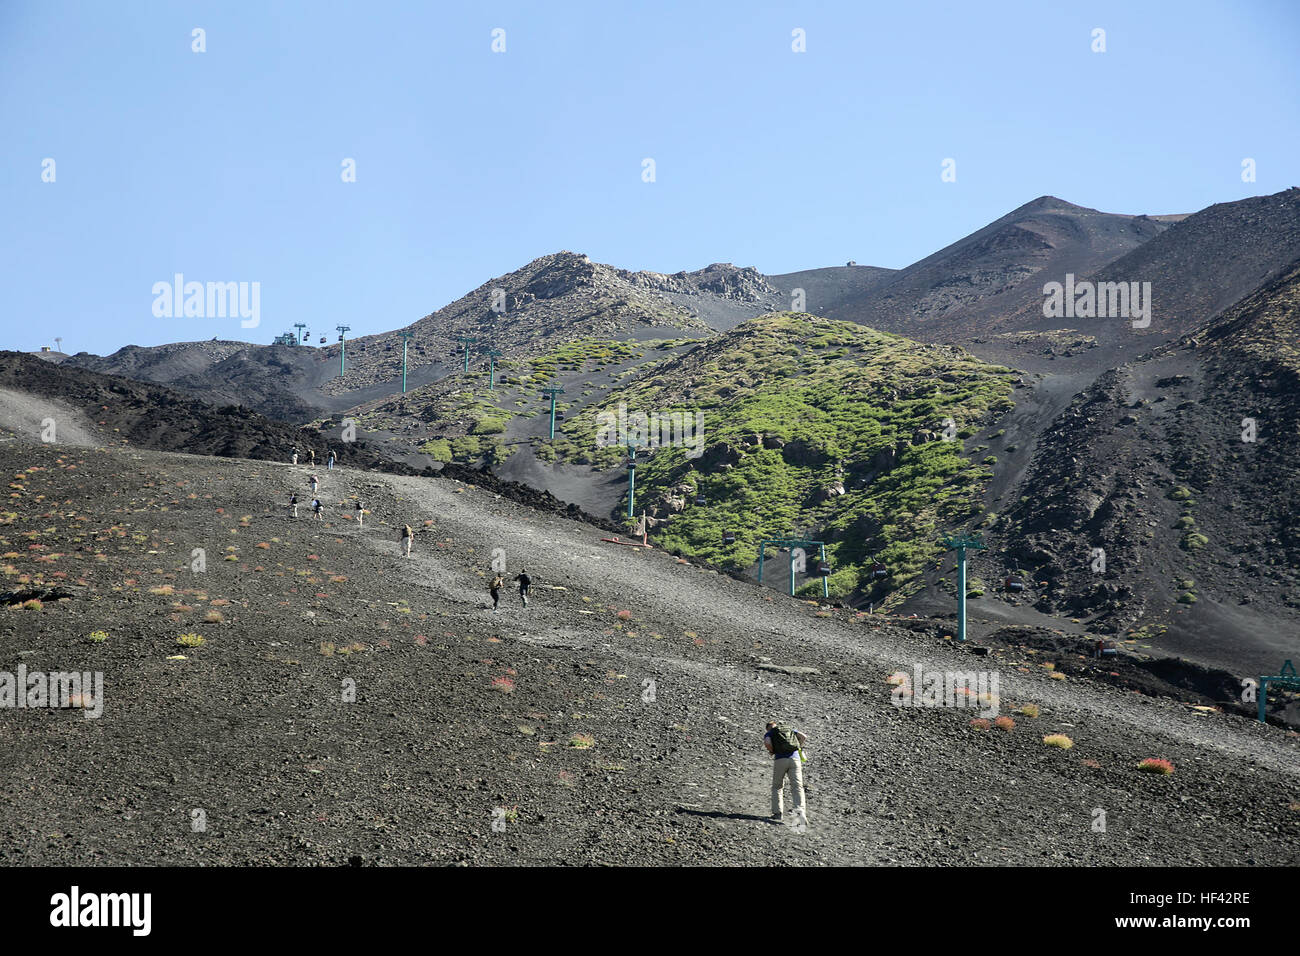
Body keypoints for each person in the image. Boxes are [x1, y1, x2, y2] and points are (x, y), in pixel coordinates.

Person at [763, 721, 807, 824]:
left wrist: (772, 751)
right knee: (797, 787)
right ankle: (800, 812)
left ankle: (777, 814)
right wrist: (798, 746)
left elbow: (767, 742)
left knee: (777, 786)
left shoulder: (770, 733)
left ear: (768, 728)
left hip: (780, 760)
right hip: (795, 760)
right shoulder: (788, 730)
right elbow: (803, 736)